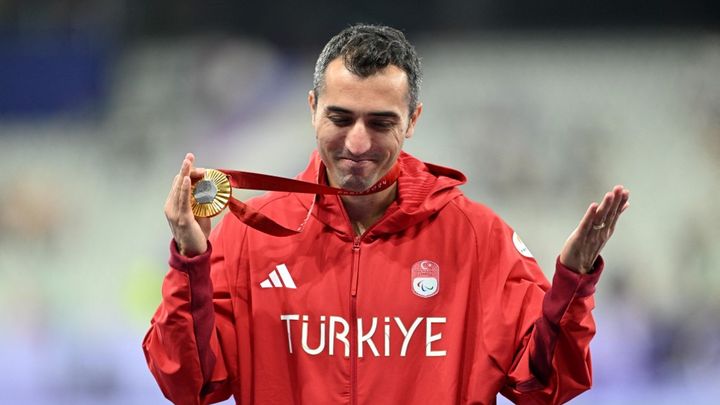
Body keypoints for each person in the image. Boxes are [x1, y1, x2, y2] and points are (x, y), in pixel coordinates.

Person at [143, 24, 630, 405]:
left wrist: (573, 281)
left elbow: (546, 386)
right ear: (312, 109)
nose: (357, 143)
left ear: (413, 120)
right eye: (340, 118)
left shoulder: (477, 239)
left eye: (381, 123)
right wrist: (192, 259)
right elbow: (189, 383)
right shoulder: (251, 235)